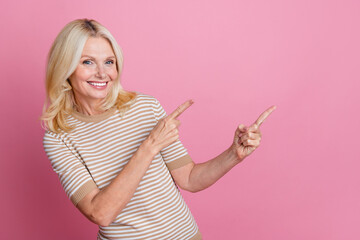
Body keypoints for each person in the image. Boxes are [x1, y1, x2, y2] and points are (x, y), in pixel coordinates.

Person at [41, 18, 276, 240]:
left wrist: (233, 154)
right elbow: (100, 213)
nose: (102, 73)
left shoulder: (145, 106)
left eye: (109, 62)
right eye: (87, 62)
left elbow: (189, 179)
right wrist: (150, 146)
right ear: (66, 68)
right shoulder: (59, 139)